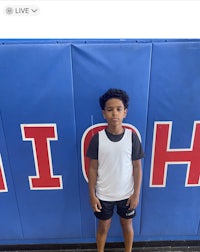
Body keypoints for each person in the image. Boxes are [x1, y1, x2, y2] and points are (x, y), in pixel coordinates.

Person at [87, 88, 144, 252]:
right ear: (103, 113)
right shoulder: (97, 139)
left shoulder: (131, 137)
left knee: (127, 225)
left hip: (126, 195)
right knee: (103, 227)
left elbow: (137, 167)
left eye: (119, 109)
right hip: (103, 195)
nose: (114, 114)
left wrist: (136, 194)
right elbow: (92, 168)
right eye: (110, 110)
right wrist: (92, 195)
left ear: (125, 112)